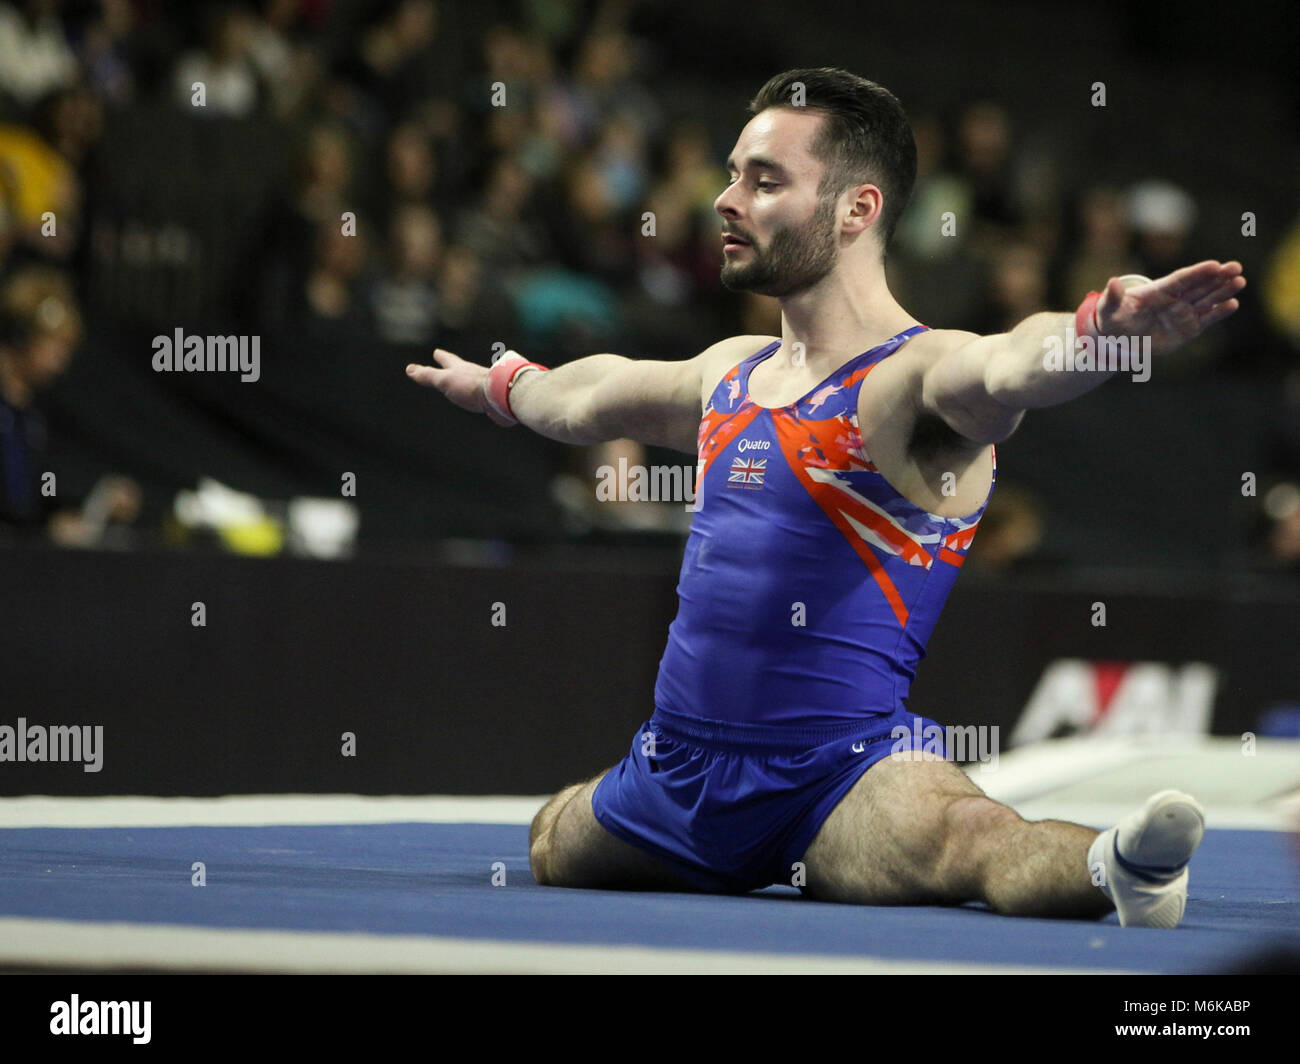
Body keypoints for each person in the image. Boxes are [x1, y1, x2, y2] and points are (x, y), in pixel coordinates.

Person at [406, 68, 1244, 927]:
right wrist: (503, 384)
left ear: (857, 209)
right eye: (733, 174)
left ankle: (1123, 866)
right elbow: (585, 398)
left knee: (972, 841)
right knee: (550, 841)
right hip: (675, 769)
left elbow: (1009, 365)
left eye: (764, 181)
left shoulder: (912, 378)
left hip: (839, 778)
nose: (727, 200)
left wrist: (1096, 336)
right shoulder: (729, 371)